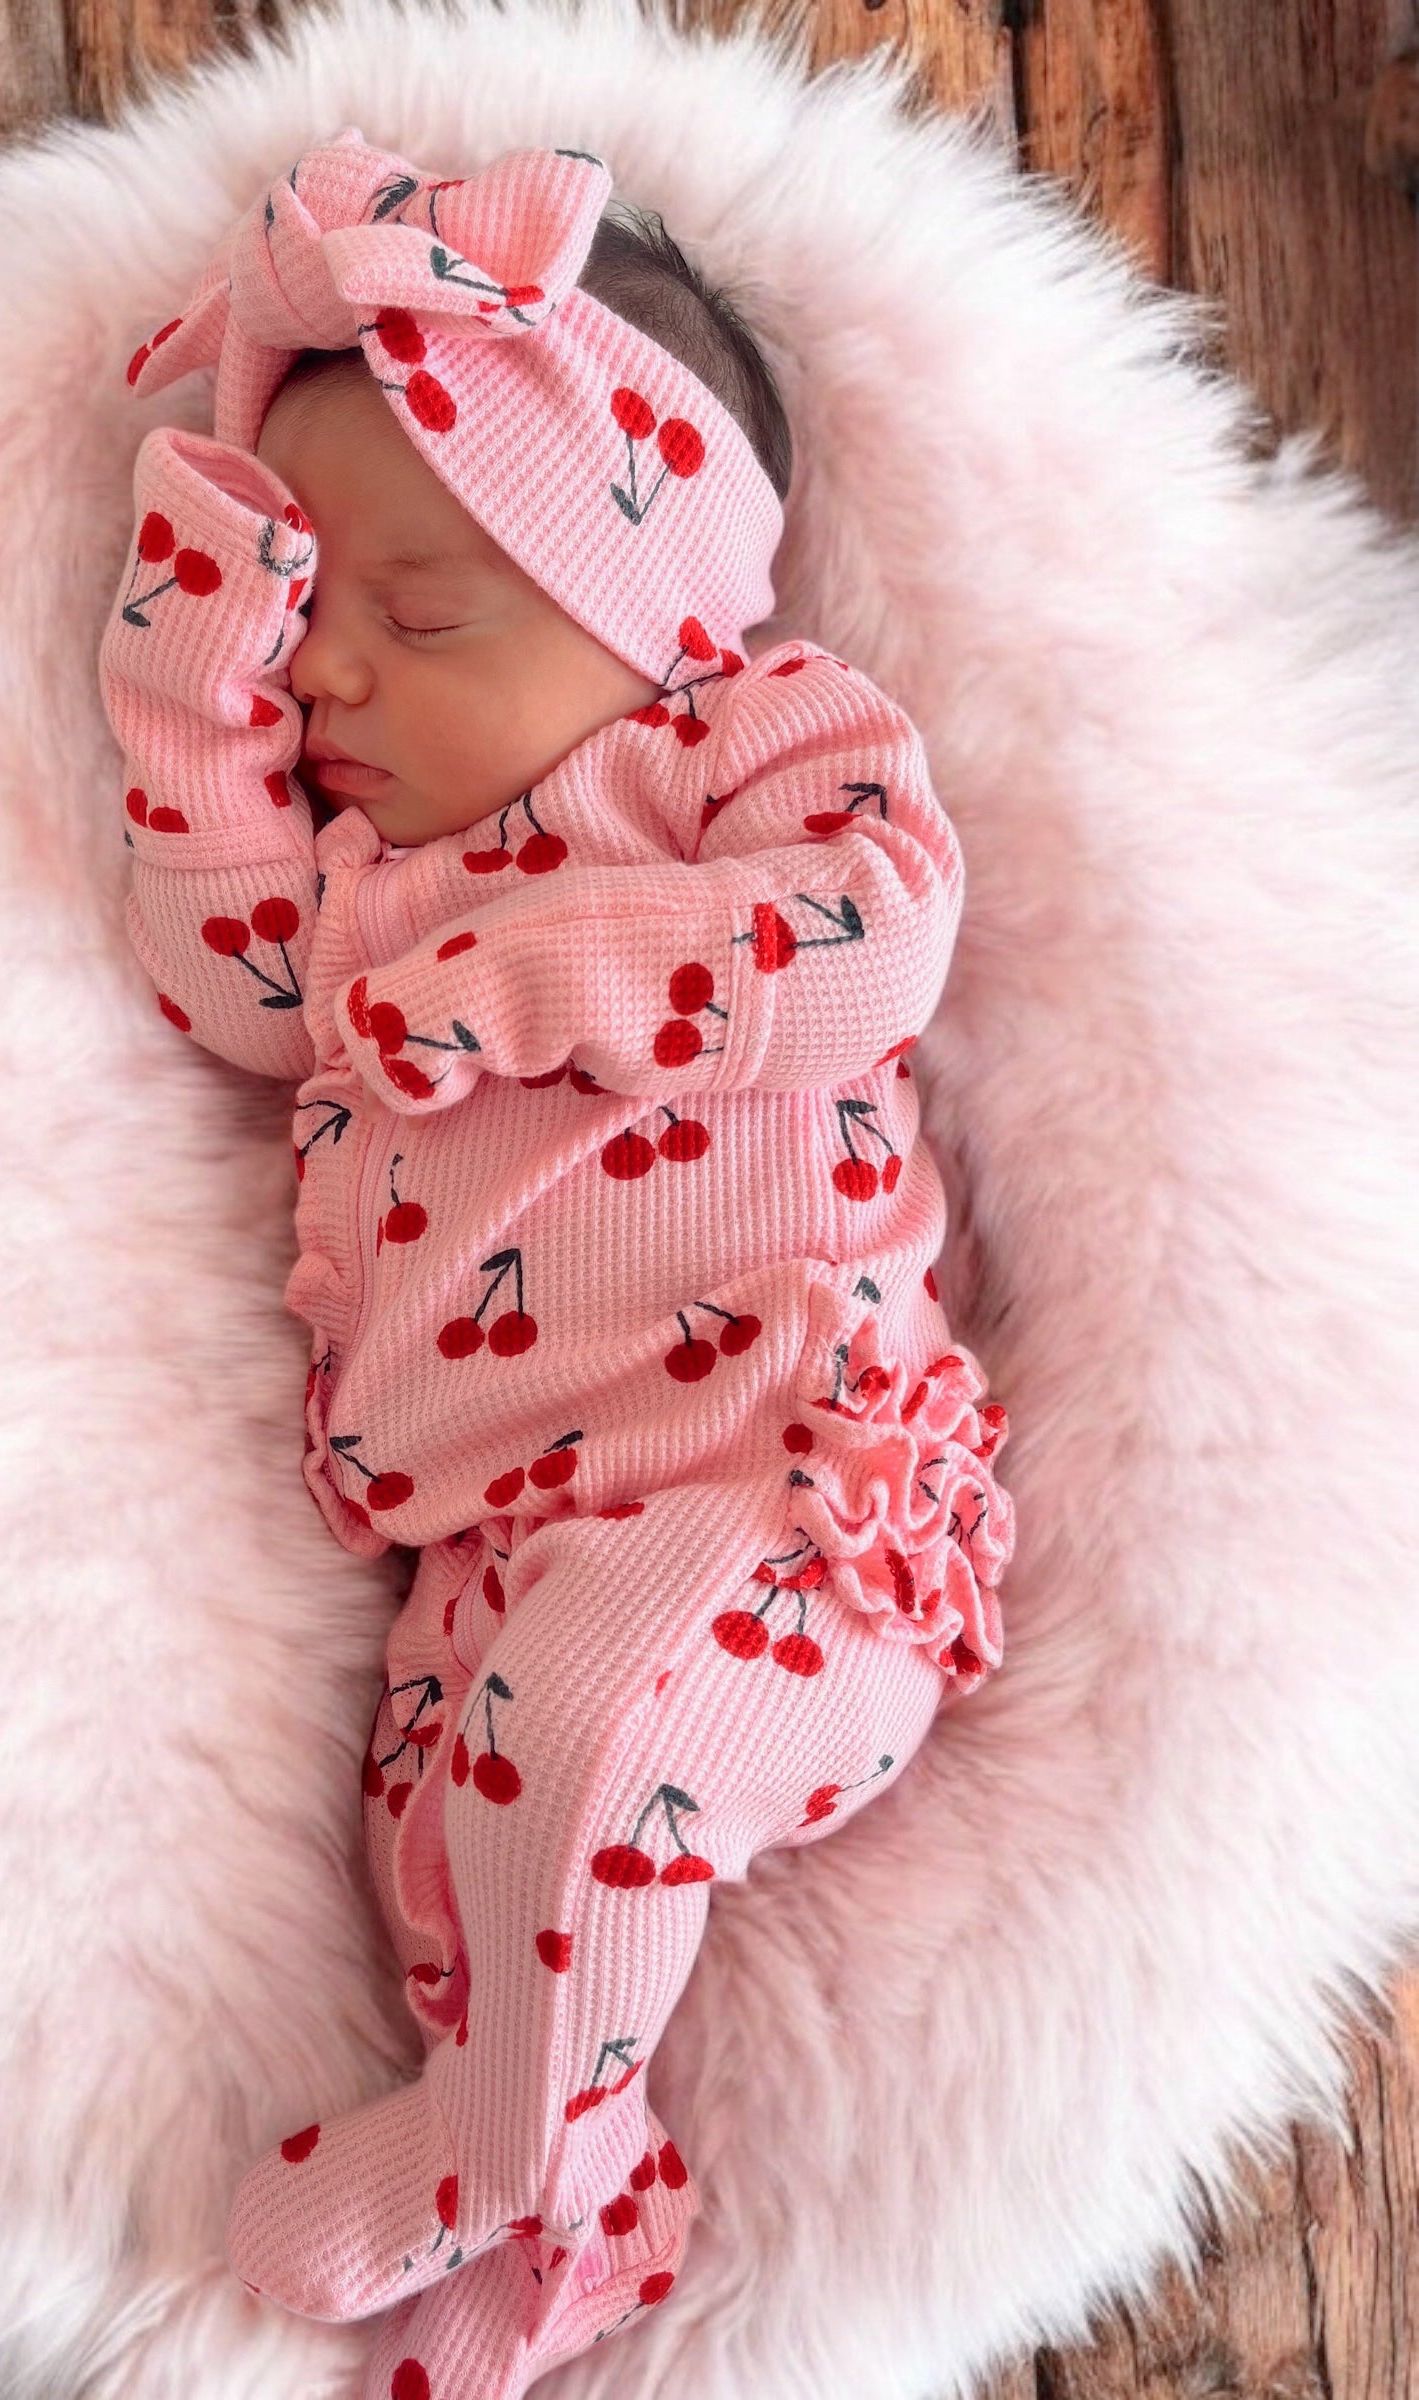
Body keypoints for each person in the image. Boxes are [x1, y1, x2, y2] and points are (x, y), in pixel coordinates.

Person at [99, 127, 1016, 2400]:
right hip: (490, 1563)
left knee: (600, 1736)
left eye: (417, 621)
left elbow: (864, 952)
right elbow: (215, 974)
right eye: (320, 637)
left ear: (654, 600)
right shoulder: (363, 905)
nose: (341, 692)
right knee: (463, 1861)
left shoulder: (741, 751)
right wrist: (199, 638)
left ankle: (492, 2149)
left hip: (780, 1502)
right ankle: (581, 2197)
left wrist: (533, 985)